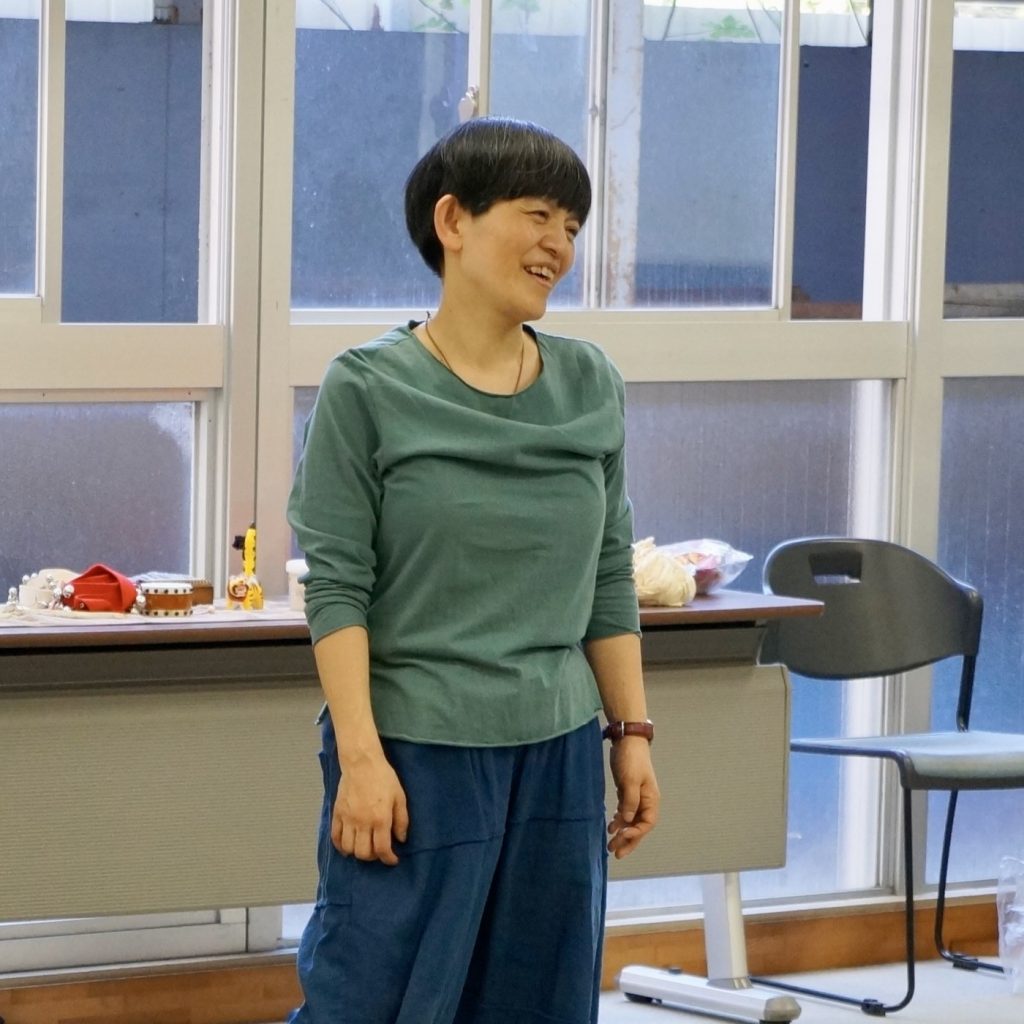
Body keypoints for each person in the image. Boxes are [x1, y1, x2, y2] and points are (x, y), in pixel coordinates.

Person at [287, 116, 659, 1024]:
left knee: (540, 999)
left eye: (572, 225)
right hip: (417, 751)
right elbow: (337, 587)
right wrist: (362, 759)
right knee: (377, 999)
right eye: (538, 215)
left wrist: (632, 734)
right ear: (453, 220)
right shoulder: (367, 387)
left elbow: (608, 574)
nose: (558, 244)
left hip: (558, 749)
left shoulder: (591, 383)